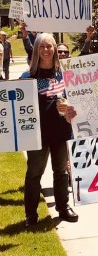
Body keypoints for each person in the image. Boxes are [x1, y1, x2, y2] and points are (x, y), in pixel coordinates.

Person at [19, 33, 78, 227]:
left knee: (61, 171)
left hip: (61, 131)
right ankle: (31, 214)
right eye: (42, 46)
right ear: (36, 50)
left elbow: (77, 98)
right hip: (37, 134)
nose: (46, 50)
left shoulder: (65, 74)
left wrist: (68, 105)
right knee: (34, 173)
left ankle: (63, 207)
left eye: (49, 46)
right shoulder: (27, 76)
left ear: (55, 49)